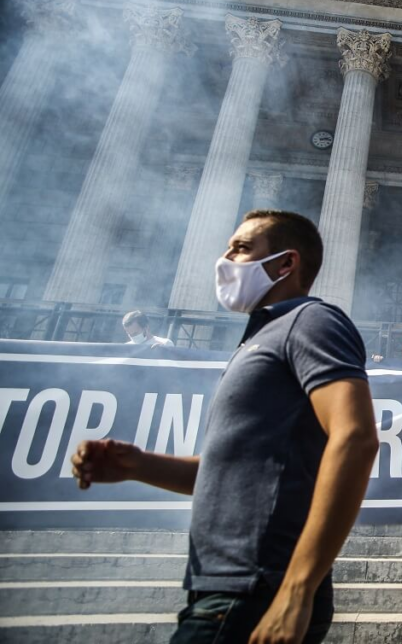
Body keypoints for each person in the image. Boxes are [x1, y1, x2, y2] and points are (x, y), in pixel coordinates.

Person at [71, 209, 379, 644]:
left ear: (285, 263)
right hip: (223, 587)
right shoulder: (259, 338)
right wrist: (137, 465)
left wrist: (296, 591)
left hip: (256, 588)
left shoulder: (311, 321)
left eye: (241, 248)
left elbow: (356, 438)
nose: (225, 258)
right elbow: (231, 472)